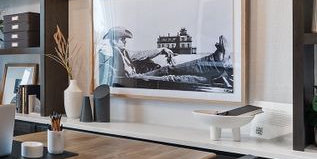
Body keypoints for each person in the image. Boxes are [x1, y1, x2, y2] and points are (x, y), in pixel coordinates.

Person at [97, 27, 233, 90]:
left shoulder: (124, 51)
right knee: (171, 75)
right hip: (136, 79)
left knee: (170, 70)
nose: (125, 42)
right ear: (114, 41)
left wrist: (161, 49)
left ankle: (212, 70)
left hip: (138, 76)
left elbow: (140, 54)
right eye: (122, 39)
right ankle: (213, 67)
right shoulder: (110, 54)